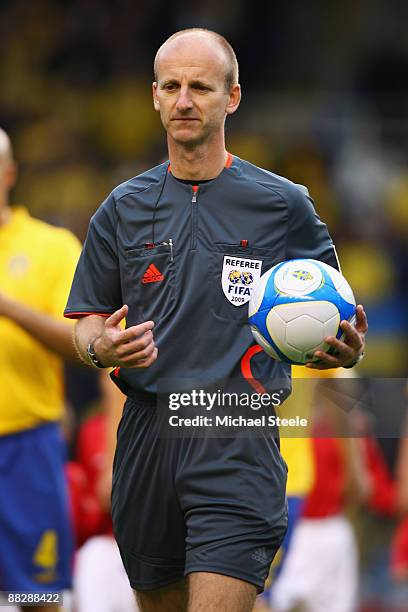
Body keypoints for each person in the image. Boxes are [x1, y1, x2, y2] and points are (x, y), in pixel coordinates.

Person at [65, 29, 367, 612]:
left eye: (200, 87)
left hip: (237, 431)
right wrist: (101, 346)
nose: (184, 100)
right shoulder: (122, 207)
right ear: (154, 95)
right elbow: (86, 322)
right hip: (146, 434)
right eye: (172, 87)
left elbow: (342, 314)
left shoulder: (284, 203)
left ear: (231, 98)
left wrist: (346, 350)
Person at [0, 128, 81, 611]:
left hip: (25, 446)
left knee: (37, 596)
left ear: (9, 174)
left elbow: (81, 342)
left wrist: (7, 307)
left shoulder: (52, 247)